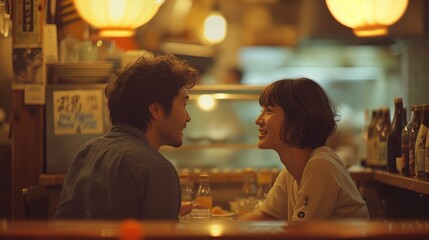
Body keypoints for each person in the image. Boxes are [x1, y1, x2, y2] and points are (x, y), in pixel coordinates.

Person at [54, 54, 198, 220]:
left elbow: (63, 225)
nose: (188, 117)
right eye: (184, 104)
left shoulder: (88, 151)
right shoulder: (157, 170)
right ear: (156, 110)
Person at [240, 78, 369, 222]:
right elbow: (263, 217)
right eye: (261, 111)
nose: (258, 119)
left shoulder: (321, 165)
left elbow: (300, 233)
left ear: (299, 123)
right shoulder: (291, 172)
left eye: (269, 111)